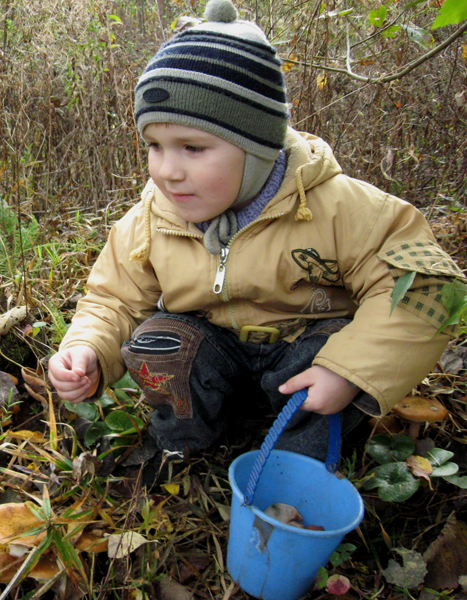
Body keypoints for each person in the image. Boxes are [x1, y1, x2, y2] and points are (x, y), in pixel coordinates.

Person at [47, 0, 464, 464]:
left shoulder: (340, 208)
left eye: (193, 147)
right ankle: (184, 449)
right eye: (154, 145)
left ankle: (295, 470)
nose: (167, 171)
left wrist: (350, 370)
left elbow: (427, 289)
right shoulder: (151, 219)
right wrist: (86, 347)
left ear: (259, 146)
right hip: (216, 361)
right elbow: (113, 299)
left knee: (326, 354)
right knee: (160, 339)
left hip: (307, 368)